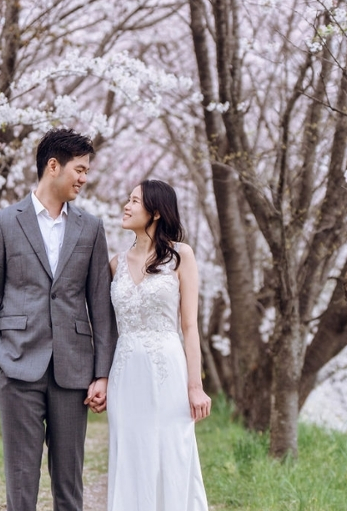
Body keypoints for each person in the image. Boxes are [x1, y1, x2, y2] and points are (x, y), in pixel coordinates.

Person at [0, 129, 118, 511]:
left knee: (69, 484)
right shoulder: (3, 222)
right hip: (16, 367)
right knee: (21, 483)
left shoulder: (91, 228)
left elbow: (100, 306)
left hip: (73, 372)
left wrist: (102, 373)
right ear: (53, 166)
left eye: (87, 170)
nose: (84, 178)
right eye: (80, 169)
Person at [107, 179, 210, 511]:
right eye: (128, 198)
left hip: (167, 371)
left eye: (134, 201)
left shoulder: (182, 256)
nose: (126, 205)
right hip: (125, 372)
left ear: (154, 212)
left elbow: (190, 327)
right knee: (130, 454)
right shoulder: (115, 263)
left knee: (172, 452)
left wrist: (195, 386)